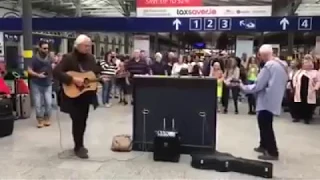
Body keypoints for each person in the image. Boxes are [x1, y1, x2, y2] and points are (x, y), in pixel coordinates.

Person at [53, 34, 107, 159]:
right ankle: (79, 146)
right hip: (72, 95)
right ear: (77, 46)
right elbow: (56, 71)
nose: (88, 48)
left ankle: (79, 144)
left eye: (89, 46)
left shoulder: (90, 58)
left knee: (82, 121)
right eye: (86, 46)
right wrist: (72, 79)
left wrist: (101, 78)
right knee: (77, 121)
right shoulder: (68, 58)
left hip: (86, 95)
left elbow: (93, 73)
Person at [240, 44, 288, 160]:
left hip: (266, 100)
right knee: (265, 123)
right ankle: (263, 145)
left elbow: (258, 85)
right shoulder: (282, 65)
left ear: (263, 55)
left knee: (265, 125)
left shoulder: (268, 66)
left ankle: (272, 151)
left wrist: (243, 87)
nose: (259, 58)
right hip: (275, 98)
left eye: (260, 55)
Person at [28, 41, 53, 128]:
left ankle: (47, 118)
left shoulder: (50, 57)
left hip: (48, 83)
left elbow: (54, 67)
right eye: (44, 48)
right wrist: (38, 75)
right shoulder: (34, 58)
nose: (46, 50)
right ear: (39, 48)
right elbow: (29, 70)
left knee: (49, 102)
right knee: (38, 103)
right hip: (36, 84)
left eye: (47, 48)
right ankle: (40, 119)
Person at [291, 57, 319, 124]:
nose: (306, 66)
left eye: (308, 64)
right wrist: (294, 86)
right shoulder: (299, 72)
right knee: (298, 103)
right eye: (305, 64)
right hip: (299, 90)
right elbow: (294, 79)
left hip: (310, 90)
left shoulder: (315, 72)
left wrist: (316, 87)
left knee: (308, 104)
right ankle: (297, 117)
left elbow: (318, 81)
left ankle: (307, 118)